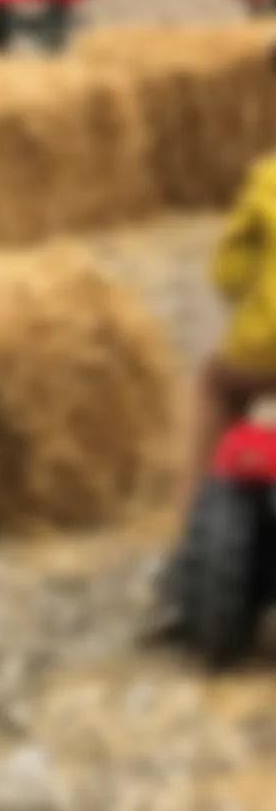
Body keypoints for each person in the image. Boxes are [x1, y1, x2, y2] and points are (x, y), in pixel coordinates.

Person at [147, 151, 276, 640]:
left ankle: (188, 538)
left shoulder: (269, 177)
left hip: (267, 352)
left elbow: (229, 271)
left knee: (215, 385)